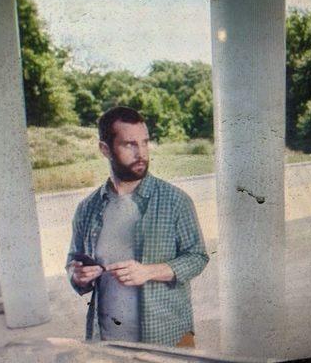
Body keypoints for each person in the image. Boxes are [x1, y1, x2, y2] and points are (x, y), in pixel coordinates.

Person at [66, 106, 209, 347]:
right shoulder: (87, 208)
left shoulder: (175, 200)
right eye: (129, 144)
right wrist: (78, 276)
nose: (141, 153)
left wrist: (148, 272)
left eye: (145, 143)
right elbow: (73, 262)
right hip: (108, 341)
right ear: (105, 149)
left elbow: (198, 257)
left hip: (167, 337)